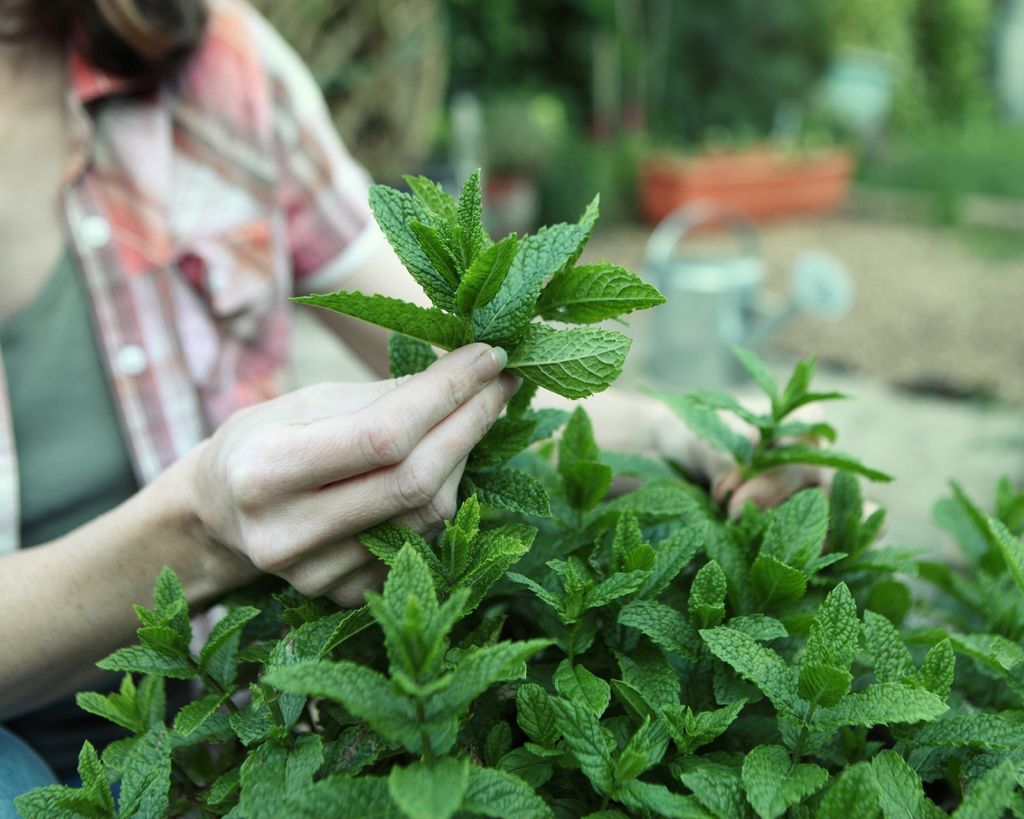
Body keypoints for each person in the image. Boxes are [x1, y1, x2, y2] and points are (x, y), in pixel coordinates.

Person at [0, 0, 828, 800]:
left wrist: (678, 431)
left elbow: (463, 372)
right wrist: (200, 533)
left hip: (234, 719)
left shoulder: (211, 63)